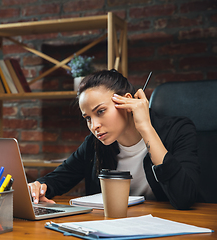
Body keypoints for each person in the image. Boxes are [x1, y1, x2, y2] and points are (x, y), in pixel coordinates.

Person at [28, 69, 200, 210]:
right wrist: (39, 187)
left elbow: (184, 198)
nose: (94, 125)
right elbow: (59, 178)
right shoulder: (94, 144)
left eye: (100, 111)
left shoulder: (178, 130)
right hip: (111, 228)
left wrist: (146, 128)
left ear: (127, 101)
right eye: (87, 118)